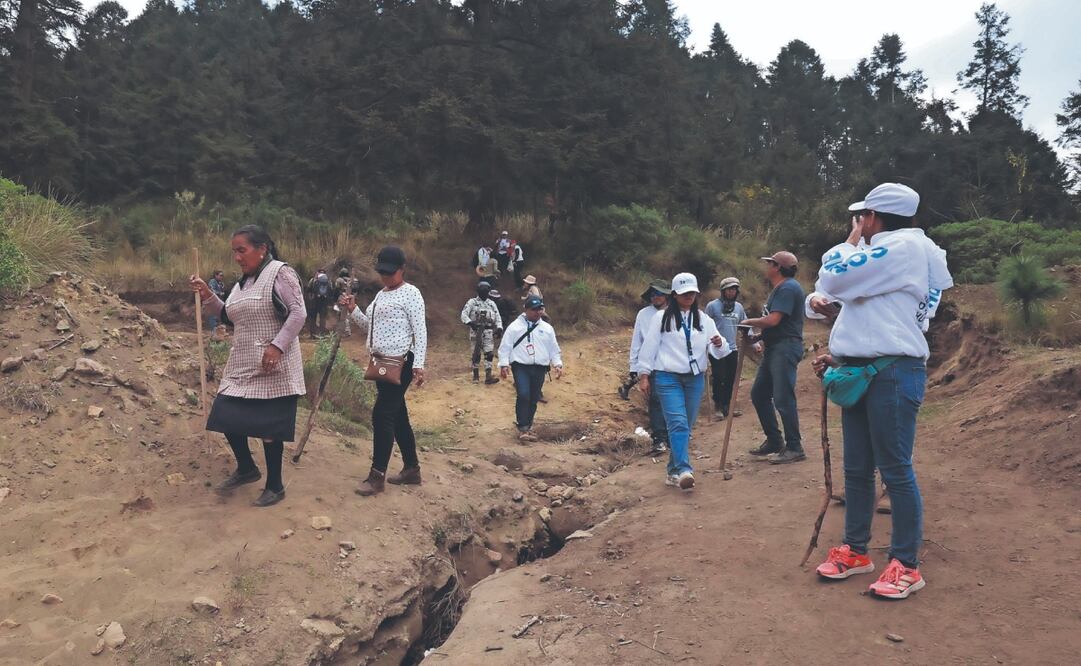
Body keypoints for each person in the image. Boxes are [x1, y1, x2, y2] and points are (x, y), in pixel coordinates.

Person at [809, 183, 952, 600]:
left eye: (862, 218)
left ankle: (905, 564)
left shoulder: (902, 248)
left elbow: (832, 277)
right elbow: (866, 306)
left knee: (895, 470)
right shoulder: (908, 255)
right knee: (857, 469)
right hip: (866, 369)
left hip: (891, 372)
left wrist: (850, 241)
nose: (860, 224)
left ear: (872, 218)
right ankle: (856, 549)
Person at [189, 225, 306, 508]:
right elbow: (228, 315)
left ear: (262, 248)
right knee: (226, 415)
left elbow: (299, 312)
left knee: (268, 428)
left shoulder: (280, 273)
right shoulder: (242, 284)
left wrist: (277, 346)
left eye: (242, 250)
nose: (237, 257)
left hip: (274, 365)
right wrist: (207, 294)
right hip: (242, 363)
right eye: (234, 252)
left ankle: (275, 486)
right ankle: (246, 468)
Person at [342, 246, 428, 497]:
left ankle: (377, 475)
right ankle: (412, 469)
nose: (386, 277)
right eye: (383, 273)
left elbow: (420, 331)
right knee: (397, 415)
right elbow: (370, 326)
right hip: (381, 364)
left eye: (391, 273)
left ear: (402, 269)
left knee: (382, 414)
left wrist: (419, 365)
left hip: (401, 362)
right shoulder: (381, 295)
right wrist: (353, 310)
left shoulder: (411, 293)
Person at [637, 273, 732, 490]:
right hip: (667, 377)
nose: (688, 296)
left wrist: (719, 343)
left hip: (695, 378)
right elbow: (649, 347)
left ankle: (672, 471)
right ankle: (683, 470)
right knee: (677, 423)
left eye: (692, 292)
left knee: (685, 426)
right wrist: (644, 375)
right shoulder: (661, 318)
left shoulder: (704, 320)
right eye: (684, 293)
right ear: (674, 294)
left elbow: (721, 350)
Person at [741, 251, 806, 465]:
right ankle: (775, 440)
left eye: (769, 263)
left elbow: (774, 320)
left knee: (783, 397)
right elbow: (777, 324)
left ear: (777, 267)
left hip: (785, 348)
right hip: (776, 346)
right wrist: (759, 337)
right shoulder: (780, 289)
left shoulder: (788, 288)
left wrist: (750, 322)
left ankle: (795, 446)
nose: (766, 266)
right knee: (759, 393)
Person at [499, 296, 563, 442]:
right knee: (523, 394)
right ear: (526, 309)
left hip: (540, 366)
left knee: (534, 397)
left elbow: (553, 348)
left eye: (539, 309)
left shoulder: (547, 328)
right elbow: (505, 347)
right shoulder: (514, 327)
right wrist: (504, 364)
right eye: (534, 309)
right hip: (520, 365)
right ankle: (523, 427)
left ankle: (528, 425)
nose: (537, 312)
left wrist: (557, 364)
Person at [623, 279, 671, 454]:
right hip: (652, 364)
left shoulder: (677, 312)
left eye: (659, 293)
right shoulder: (643, 315)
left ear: (666, 295)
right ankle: (659, 438)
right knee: (656, 400)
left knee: (672, 401)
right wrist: (634, 366)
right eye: (652, 294)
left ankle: (674, 435)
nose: (655, 297)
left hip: (673, 364)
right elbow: (637, 341)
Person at [704, 277, 747, 419]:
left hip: (732, 348)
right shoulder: (712, 306)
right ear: (723, 291)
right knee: (719, 376)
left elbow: (744, 325)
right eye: (729, 289)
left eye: (734, 289)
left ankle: (727, 406)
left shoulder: (739, 307)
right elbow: (703, 325)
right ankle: (717, 406)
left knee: (731, 378)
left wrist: (755, 343)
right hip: (716, 348)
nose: (732, 292)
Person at [460, 282, 503, 384]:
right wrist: (470, 323)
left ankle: (488, 376)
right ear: (478, 291)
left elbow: (498, 317)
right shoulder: (472, 302)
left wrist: (499, 328)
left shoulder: (492, 304)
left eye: (486, 291)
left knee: (489, 353)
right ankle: (475, 376)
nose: (484, 293)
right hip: (476, 331)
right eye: (482, 291)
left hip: (488, 331)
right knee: (476, 353)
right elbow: (463, 314)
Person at [306, 269, 333, 337]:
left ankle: (313, 334)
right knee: (322, 318)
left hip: (314, 301)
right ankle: (322, 334)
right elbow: (331, 290)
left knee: (313, 318)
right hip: (324, 301)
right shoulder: (328, 281)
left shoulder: (312, 280)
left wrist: (310, 298)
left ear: (317, 273)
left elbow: (308, 290)